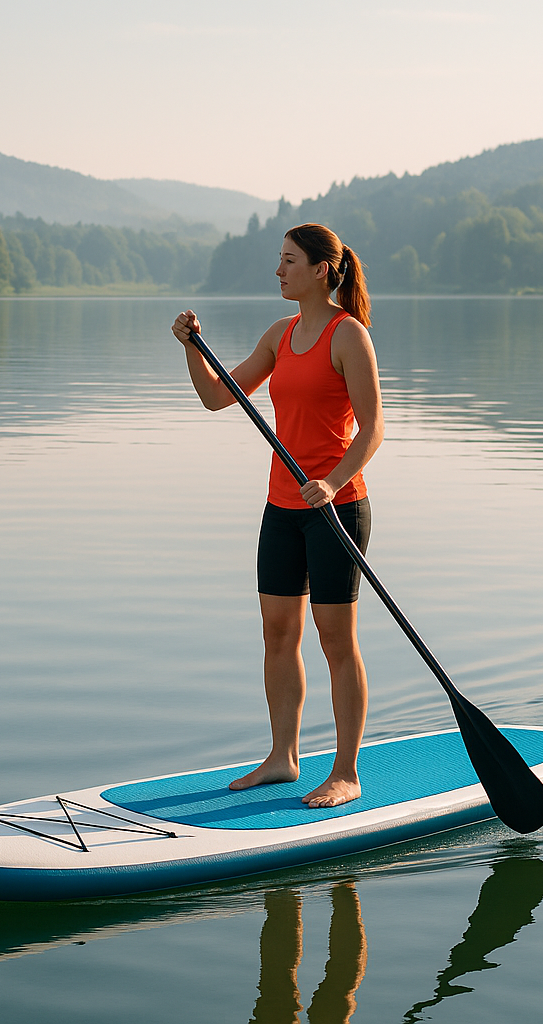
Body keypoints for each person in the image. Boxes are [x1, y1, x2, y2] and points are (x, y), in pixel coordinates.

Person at [172, 223, 383, 808]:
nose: (278, 270)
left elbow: (373, 429)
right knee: (277, 634)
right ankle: (283, 757)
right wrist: (193, 347)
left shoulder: (349, 336)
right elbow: (218, 397)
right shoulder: (280, 334)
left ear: (321, 270)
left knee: (336, 641)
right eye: (278, 260)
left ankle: (346, 771)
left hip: (337, 509)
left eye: (289, 261)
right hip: (281, 509)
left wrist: (333, 480)